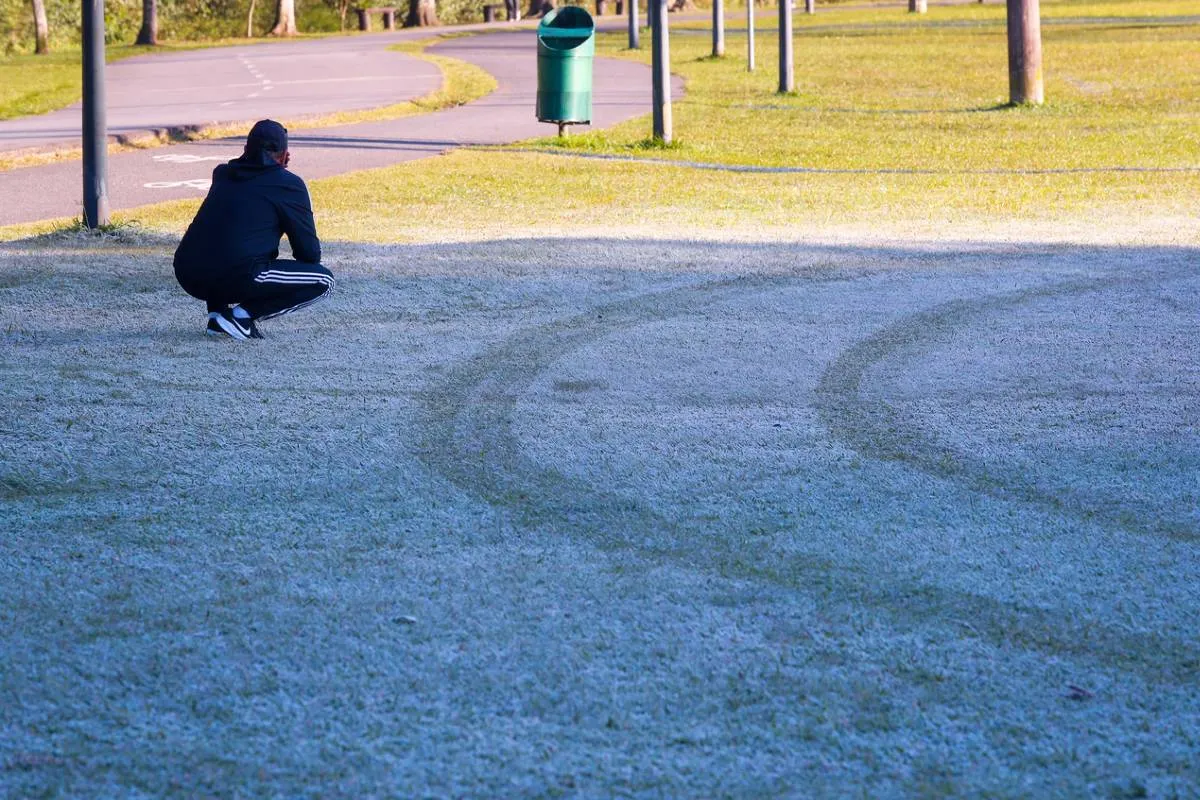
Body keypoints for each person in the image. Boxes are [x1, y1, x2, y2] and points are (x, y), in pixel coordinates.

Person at [174, 119, 334, 340]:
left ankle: (217, 316)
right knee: (324, 281)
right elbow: (309, 253)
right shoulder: (288, 184)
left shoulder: (222, 173)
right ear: (284, 154)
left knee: (222, 246)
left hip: (187, 271)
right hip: (237, 274)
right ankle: (241, 316)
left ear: (245, 149)